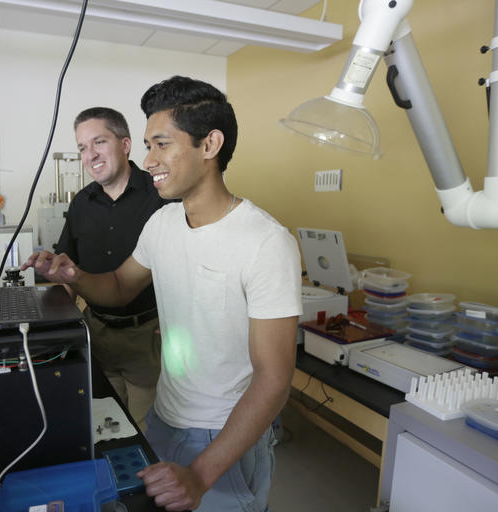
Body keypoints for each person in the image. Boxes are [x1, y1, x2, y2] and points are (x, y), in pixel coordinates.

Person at [23, 76, 301, 511]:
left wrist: (201, 473)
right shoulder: (163, 223)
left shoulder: (266, 243)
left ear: (209, 145)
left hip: (224, 434)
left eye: (161, 144)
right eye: (148, 146)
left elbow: (274, 378)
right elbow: (117, 287)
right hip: (164, 419)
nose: (149, 159)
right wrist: (73, 274)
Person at [55, 107, 167, 429]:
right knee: (108, 424)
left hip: (148, 336)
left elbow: (189, 265)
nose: (90, 155)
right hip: (97, 332)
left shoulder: (161, 197)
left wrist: (182, 322)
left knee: (149, 433)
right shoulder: (81, 203)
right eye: (82, 148)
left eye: (99, 142)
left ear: (125, 144)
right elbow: (68, 269)